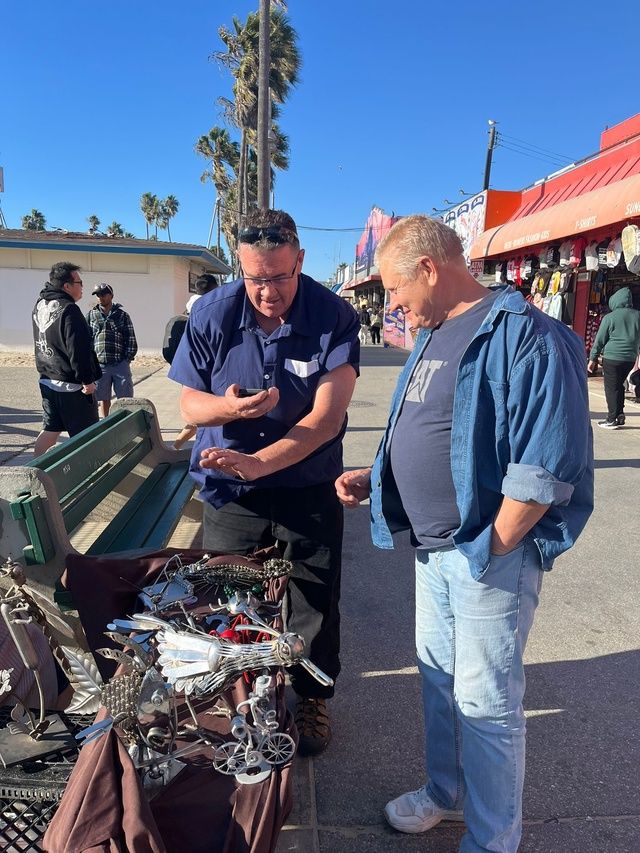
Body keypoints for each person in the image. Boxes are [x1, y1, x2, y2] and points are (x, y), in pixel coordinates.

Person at [335, 215, 594, 852]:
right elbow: (439, 430)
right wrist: (381, 475)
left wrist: (496, 547)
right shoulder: (433, 334)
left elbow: (545, 460)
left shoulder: (526, 334)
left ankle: (492, 840)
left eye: (396, 288)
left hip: (483, 554)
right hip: (433, 551)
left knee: (487, 706)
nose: (391, 303)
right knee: (440, 684)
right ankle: (446, 795)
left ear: (430, 268)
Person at [168, 209, 360, 755]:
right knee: (229, 596)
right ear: (240, 269)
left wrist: (263, 462)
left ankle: (312, 693)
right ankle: (238, 689)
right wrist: (223, 407)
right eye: (256, 278)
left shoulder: (334, 315)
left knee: (314, 598)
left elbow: (325, 421)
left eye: (280, 276)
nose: (269, 291)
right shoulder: (212, 312)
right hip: (230, 487)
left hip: (306, 481)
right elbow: (188, 401)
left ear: (300, 260)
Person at [32, 262, 101, 456]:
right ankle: (86, 477)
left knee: (51, 429)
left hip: (47, 380)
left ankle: (35, 473)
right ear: (67, 286)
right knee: (86, 436)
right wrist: (87, 380)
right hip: (71, 386)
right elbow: (77, 349)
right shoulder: (69, 310)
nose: (82, 287)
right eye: (79, 282)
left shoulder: (39, 305)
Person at [173, 274, 221, 449]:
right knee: (202, 416)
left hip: (190, 367)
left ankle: (177, 446)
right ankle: (176, 447)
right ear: (214, 289)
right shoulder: (211, 309)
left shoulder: (190, 308)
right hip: (207, 370)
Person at [587, 286, 640, 429]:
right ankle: (619, 415)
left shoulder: (609, 318)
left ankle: (611, 419)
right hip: (630, 359)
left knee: (611, 388)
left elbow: (600, 340)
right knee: (620, 386)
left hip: (612, 358)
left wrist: (592, 359)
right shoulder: (638, 316)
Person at [86, 283, 138, 418]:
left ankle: (125, 421)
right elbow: (86, 339)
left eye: (104, 294)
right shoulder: (91, 315)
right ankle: (106, 422)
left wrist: (127, 359)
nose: (101, 297)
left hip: (120, 363)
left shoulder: (122, 315)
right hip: (100, 365)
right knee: (103, 398)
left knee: (125, 398)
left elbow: (130, 337)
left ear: (111, 296)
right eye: (98, 295)